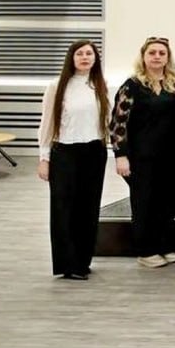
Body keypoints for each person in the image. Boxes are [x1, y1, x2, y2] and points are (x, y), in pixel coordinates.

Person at [109, 37, 175, 269]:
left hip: (172, 156)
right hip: (141, 157)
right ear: (143, 56)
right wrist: (120, 155)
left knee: (168, 201)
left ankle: (164, 245)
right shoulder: (132, 85)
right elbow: (118, 123)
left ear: (168, 57)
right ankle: (146, 250)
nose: (157, 57)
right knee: (145, 203)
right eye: (152, 52)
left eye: (162, 53)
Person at [38, 40, 111, 281]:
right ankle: (67, 264)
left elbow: (107, 121)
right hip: (65, 152)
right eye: (80, 53)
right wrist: (44, 158)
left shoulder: (99, 84)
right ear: (71, 58)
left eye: (89, 53)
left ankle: (82, 261)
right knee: (63, 208)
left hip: (94, 152)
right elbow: (47, 124)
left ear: (95, 59)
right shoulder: (57, 86)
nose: (85, 57)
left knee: (88, 207)